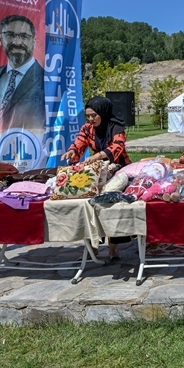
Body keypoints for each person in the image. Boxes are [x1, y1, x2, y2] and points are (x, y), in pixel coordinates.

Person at [62, 96, 131, 260]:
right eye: (88, 116)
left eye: (94, 115)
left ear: (103, 113)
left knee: (112, 207)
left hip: (119, 170)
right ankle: (93, 244)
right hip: (99, 172)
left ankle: (113, 247)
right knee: (91, 204)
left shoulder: (116, 127)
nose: (91, 119)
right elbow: (79, 142)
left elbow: (117, 147)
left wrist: (97, 156)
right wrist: (73, 151)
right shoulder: (87, 129)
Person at [0, 14, 47, 145]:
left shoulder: (46, 81)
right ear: (1, 39)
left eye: (24, 36)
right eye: (10, 35)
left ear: (34, 41)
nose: (17, 42)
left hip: (27, 155)